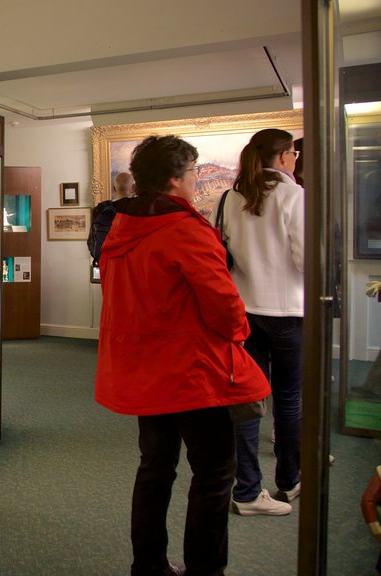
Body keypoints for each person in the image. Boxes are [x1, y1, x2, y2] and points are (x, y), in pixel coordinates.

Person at [96, 135, 269, 576]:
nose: (197, 181)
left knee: (155, 469)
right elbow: (225, 307)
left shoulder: (121, 228)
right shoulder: (185, 230)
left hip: (144, 372)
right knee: (213, 476)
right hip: (195, 375)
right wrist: (240, 332)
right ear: (175, 179)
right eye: (194, 173)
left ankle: (148, 565)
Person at [216, 128, 305, 516]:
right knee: (288, 398)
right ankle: (289, 478)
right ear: (284, 156)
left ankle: (248, 489)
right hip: (287, 312)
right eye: (293, 154)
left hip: (246, 311)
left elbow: (226, 252)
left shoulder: (231, 196)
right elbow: (304, 260)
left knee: (249, 401)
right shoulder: (292, 195)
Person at [87, 171, 135, 265]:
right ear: (133, 188)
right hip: (132, 266)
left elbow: (92, 245)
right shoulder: (138, 209)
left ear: (113, 188)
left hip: (108, 266)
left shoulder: (101, 209)